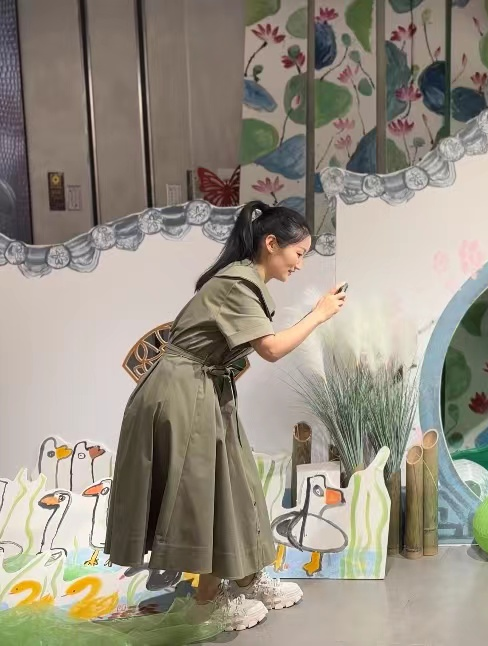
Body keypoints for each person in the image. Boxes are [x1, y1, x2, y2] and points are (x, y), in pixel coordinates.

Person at [105, 201, 347, 631]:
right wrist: (319, 314)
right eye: (298, 253)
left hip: (203, 388)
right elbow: (271, 349)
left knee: (237, 483)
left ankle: (247, 579)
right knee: (209, 494)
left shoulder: (244, 282)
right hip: (183, 393)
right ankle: (207, 602)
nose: (300, 264)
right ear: (271, 244)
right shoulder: (238, 284)